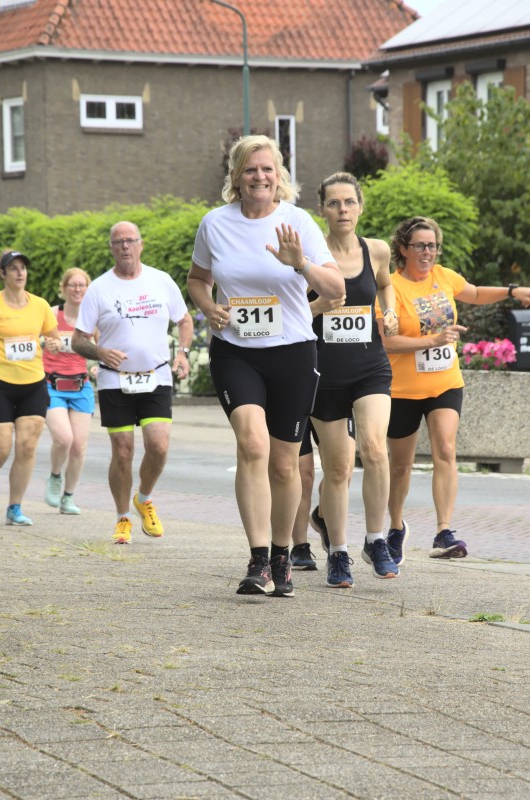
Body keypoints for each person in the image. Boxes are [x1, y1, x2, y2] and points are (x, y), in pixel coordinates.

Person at [187, 134, 344, 597]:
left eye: (267, 169)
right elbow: (197, 279)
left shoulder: (298, 222)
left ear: (279, 176)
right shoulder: (215, 223)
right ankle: (257, 560)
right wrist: (208, 308)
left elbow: (335, 290)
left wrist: (301, 265)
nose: (260, 176)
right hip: (236, 351)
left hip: (292, 352)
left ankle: (281, 556)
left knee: (284, 464)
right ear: (236, 177)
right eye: (250, 169)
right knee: (252, 444)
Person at [383, 216, 530, 560]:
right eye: (420, 246)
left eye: (432, 246)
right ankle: (395, 528)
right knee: (400, 465)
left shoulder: (444, 277)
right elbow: (387, 342)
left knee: (445, 449)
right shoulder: (392, 287)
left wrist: (513, 291)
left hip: (445, 382)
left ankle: (444, 531)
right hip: (403, 390)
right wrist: (432, 340)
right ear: (403, 249)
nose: (427, 252)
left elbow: (475, 293)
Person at [71, 221, 193, 544]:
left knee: (159, 446)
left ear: (141, 244)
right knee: (123, 451)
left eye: (130, 240)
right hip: (115, 380)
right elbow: (78, 339)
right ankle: (122, 516)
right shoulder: (99, 288)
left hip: (156, 375)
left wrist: (182, 354)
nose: (125, 246)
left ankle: (144, 498)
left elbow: (184, 320)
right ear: (111, 248)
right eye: (119, 242)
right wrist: (100, 352)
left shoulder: (160, 281)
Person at [307, 172, 399, 588]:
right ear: (322, 210)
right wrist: (320, 306)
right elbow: (293, 311)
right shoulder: (310, 256)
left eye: (349, 202)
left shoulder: (376, 250)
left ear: (360, 207)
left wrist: (389, 310)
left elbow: (385, 285)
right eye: (334, 203)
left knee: (375, 448)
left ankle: (376, 540)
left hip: (369, 367)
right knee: (338, 467)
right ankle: (338, 552)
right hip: (323, 372)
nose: (342, 210)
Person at [0, 249, 60, 525]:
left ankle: (14, 508)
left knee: (27, 446)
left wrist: (54, 344)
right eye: (14, 268)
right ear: (2, 273)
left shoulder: (40, 305)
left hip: (33, 385)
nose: (20, 273)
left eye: (23, 268)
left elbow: (53, 338)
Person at [43, 268, 96, 515]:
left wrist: (98, 366)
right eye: (72, 285)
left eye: (82, 285)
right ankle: (55, 477)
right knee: (64, 439)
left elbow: (102, 347)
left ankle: (68, 497)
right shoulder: (53, 314)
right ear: (64, 288)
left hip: (80, 386)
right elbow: (34, 341)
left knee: (79, 446)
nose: (77, 289)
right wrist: (45, 343)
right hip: (52, 385)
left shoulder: (91, 319)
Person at [290, 418, 356, 570]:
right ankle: (300, 546)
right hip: (299, 405)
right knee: (303, 474)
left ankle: (321, 515)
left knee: (344, 467)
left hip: (332, 404)